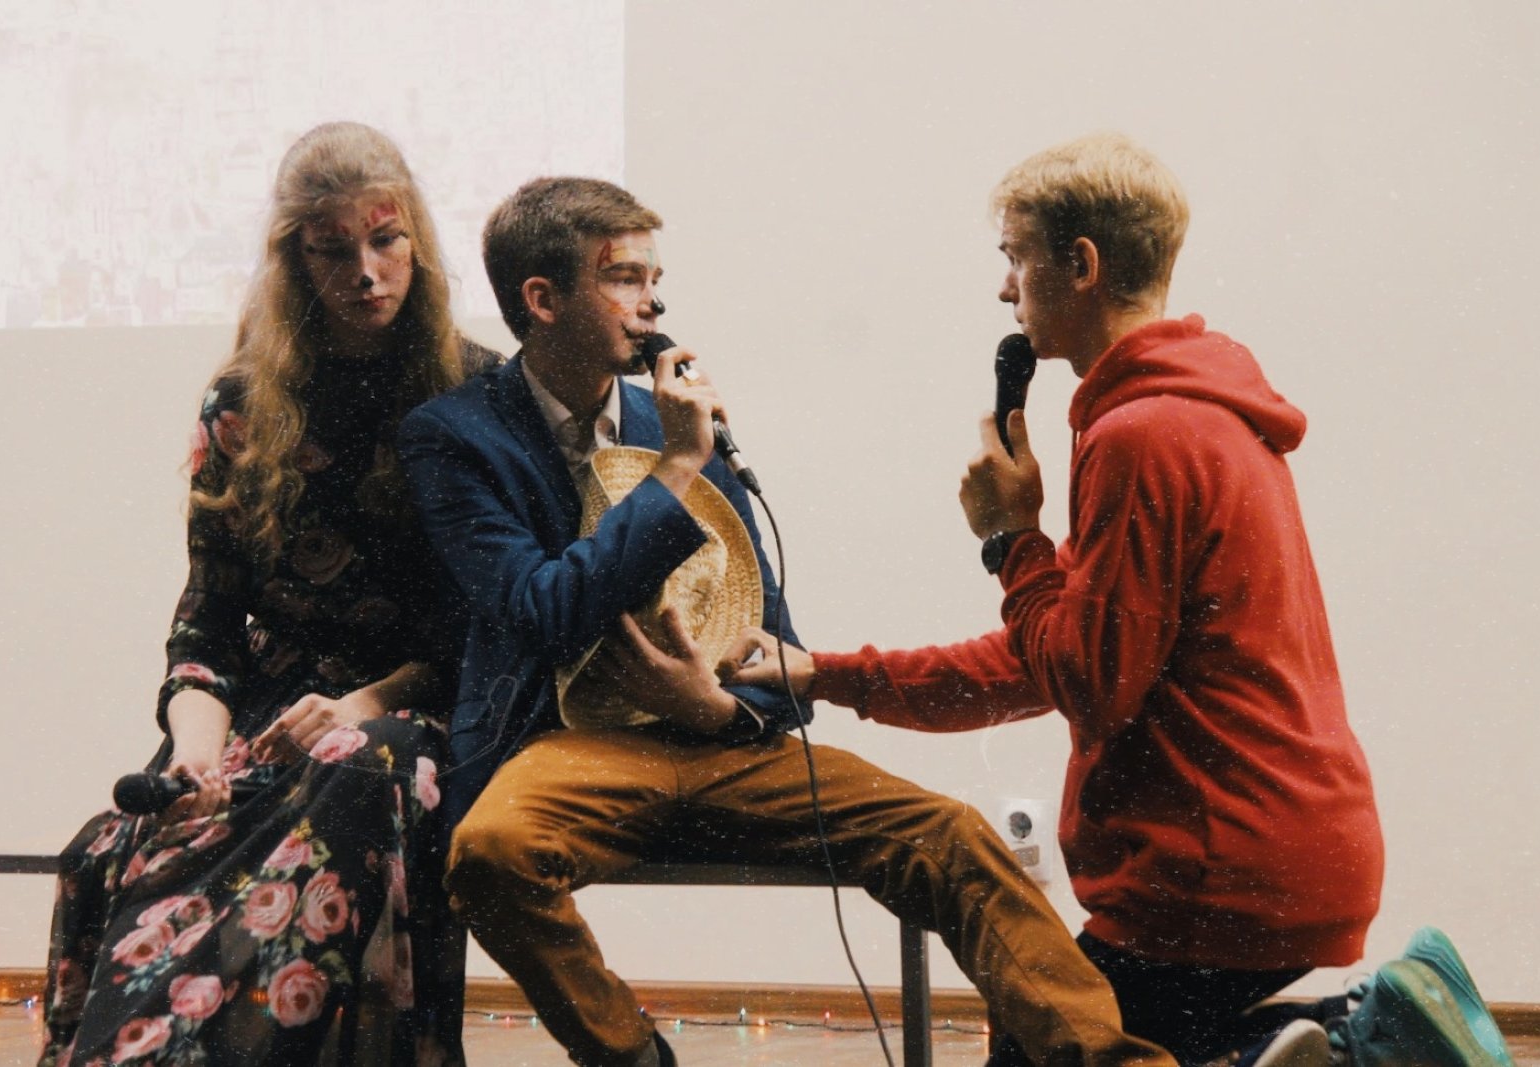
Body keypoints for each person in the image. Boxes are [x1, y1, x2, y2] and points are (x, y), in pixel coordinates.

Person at [722, 132, 1512, 1067]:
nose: (1005, 289)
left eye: (1015, 258)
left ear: (1082, 265)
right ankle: (1350, 1033)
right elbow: (1044, 657)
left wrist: (1012, 538)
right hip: (1284, 847)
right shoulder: (1196, 415)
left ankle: (1352, 1047)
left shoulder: (1141, 436)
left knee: (1047, 1047)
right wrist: (825, 675)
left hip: (1212, 870)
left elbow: (1087, 682)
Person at [397, 176, 1208, 1067]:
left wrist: (712, 706)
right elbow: (539, 610)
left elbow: (769, 640)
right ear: (542, 300)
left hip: (716, 738)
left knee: (949, 836)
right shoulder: (457, 434)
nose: (653, 302)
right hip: (568, 746)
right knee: (490, 854)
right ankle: (637, 1059)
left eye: (655, 278)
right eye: (624, 278)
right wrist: (677, 467)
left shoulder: (679, 420)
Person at [39, 122, 489, 1067]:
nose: (365, 271)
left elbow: (486, 630)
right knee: (110, 847)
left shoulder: (476, 391)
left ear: (416, 238)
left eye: (386, 240)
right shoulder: (244, 403)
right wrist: (197, 752)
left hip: (418, 705)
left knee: (351, 772)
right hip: (271, 706)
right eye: (332, 250)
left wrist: (363, 701)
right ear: (294, 261)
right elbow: (206, 621)